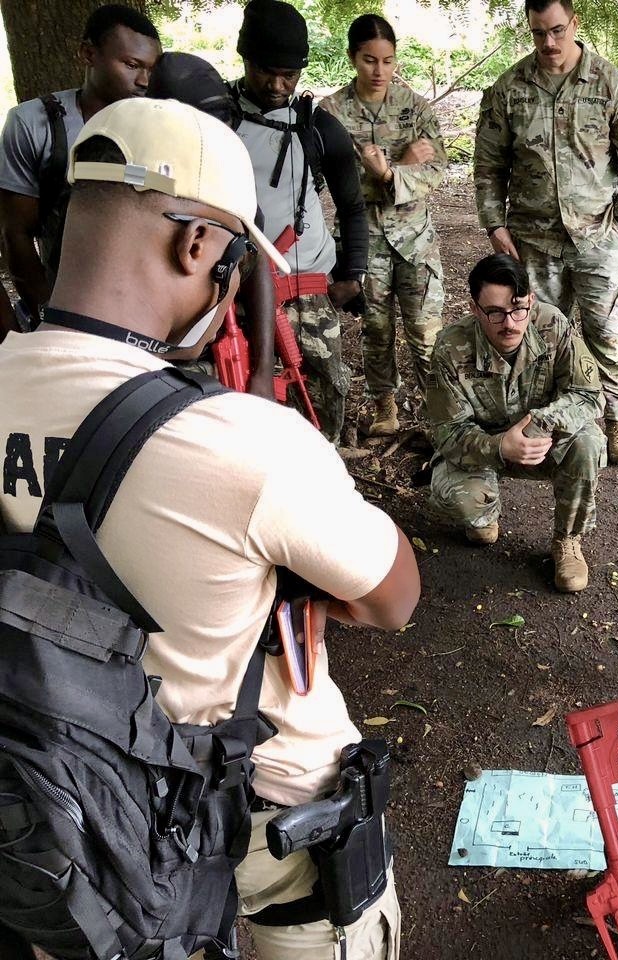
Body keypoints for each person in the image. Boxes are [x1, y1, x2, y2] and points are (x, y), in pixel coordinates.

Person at [0, 97, 419, 958]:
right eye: (233, 260)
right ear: (196, 246)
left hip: (66, 838)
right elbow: (394, 597)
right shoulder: (244, 444)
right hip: (260, 826)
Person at [473, 0, 618, 465]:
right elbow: (489, 165)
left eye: (556, 30)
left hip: (599, 235)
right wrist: (494, 224)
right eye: (538, 33)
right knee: (542, 333)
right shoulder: (509, 89)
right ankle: (553, 422)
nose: (548, 43)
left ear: (575, 24)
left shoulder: (611, 84)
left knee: (606, 330)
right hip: (533, 239)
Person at [422, 253, 605, 593]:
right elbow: (447, 432)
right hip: (483, 446)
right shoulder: (451, 347)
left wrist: (543, 422)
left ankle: (567, 540)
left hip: (542, 440)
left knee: (589, 443)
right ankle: (485, 513)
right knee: (466, 504)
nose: (510, 323)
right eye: (494, 312)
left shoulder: (552, 325)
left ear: (530, 301)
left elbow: (589, 394)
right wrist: (499, 446)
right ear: (476, 309)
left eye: (518, 309)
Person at [234, 0, 369, 444]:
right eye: (265, 71)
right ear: (244, 58)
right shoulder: (216, 118)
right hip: (239, 291)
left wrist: (352, 274)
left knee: (327, 394)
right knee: (247, 399)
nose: (277, 85)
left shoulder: (318, 128)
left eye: (289, 75)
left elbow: (352, 206)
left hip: (308, 285)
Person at [321, 14, 448, 438]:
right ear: (352, 58)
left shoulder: (415, 107)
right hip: (364, 242)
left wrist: (391, 174)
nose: (379, 71)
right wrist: (398, 167)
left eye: (388, 61)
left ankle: (441, 418)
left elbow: (438, 170)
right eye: (369, 60)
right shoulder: (332, 114)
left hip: (415, 241)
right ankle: (385, 406)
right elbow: (323, 182)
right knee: (376, 330)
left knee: (426, 333)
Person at [0, 3, 160, 319]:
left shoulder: (161, 126)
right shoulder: (33, 124)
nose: (144, 80)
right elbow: (15, 233)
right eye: (131, 64)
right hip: (65, 298)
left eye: (151, 69)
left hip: (147, 305)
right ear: (88, 54)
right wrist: (49, 315)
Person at [148, 50, 277, 400]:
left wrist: (263, 370)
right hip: (142, 362)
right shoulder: (122, 178)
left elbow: (256, 263)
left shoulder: (225, 175)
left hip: (208, 351)